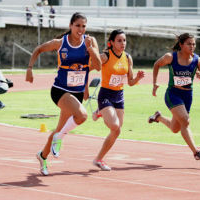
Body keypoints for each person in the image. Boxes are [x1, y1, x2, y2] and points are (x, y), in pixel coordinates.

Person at [26, 12, 101, 175]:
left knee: (59, 129)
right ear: (70, 26)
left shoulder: (90, 41)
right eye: (77, 26)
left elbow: (98, 65)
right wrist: (30, 69)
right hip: (60, 90)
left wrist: (90, 48)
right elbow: (38, 49)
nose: (81, 29)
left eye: (84, 26)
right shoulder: (60, 43)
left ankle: (43, 156)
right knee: (82, 116)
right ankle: (59, 138)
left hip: (77, 92)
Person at [148, 33, 200, 161]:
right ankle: (196, 152)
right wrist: (154, 84)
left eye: (194, 44)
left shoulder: (197, 60)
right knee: (185, 121)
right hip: (173, 94)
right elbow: (156, 65)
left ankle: (158, 117)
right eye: (189, 44)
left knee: (175, 128)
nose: (192, 46)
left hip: (187, 96)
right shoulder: (170, 57)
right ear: (181, 45)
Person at [91, 29, 145, 171]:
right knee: (114, 126)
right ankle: (101, 110)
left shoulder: (127, 58)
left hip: (119, 96)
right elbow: (90, 67)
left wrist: (138, 78)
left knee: (117, 131)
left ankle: (99, 159)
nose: (123, 43)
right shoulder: (105, 56)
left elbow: (131, 82)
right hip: (106, 94)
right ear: (112, 42)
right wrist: (84, 86)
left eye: (124, 40)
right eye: (119, 40)